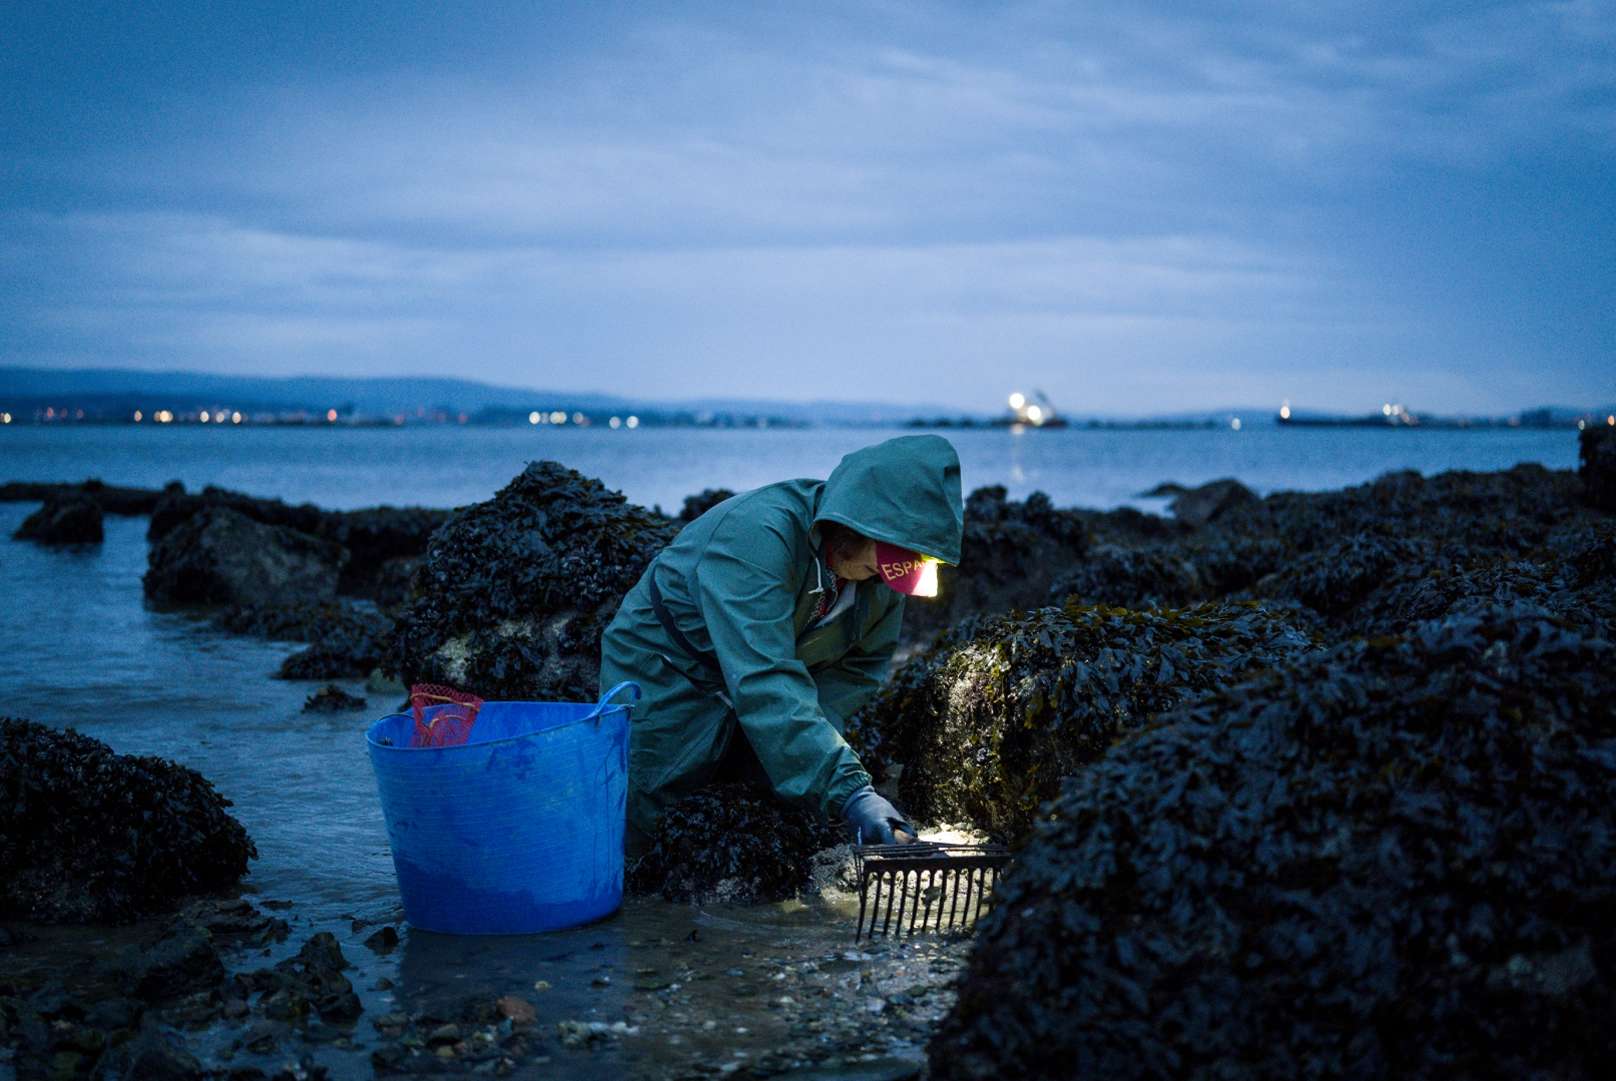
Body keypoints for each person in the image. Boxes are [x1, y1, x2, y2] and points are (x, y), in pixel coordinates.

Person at [599, 434, 964, 856]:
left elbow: (854, 671)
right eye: (885, 558)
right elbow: (763, 676)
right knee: (642, 827)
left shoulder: (882, 583)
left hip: (766, 677)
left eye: (901, 566)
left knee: (763, 812)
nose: (886, 577)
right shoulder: (757, 535)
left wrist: (811, 761)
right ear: (856, 522)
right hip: (669, 668)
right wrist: (851, 793)